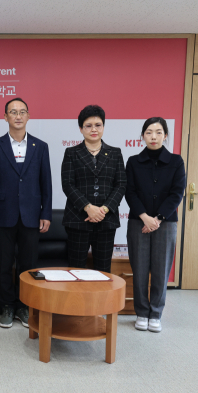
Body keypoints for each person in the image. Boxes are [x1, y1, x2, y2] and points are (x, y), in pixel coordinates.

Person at [0, 98, 52, 329]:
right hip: (3, 214)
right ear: (5, 117)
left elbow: (46, 184)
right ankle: (7, 306)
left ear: (28, 116)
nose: (18, 116)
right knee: (4, 263)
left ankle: (24, 306)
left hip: (32, 215)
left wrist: (46, 214)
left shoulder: (40, 146)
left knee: (28, 264)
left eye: (22, 112)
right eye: (13, 112)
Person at [125, 117, 186, 333]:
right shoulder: (133, 161)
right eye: (149, 132)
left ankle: (156, 314)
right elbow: (129, 192)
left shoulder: (176, 162)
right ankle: (141, 312)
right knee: (139, 268)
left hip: (166, 223)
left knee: (161, 270)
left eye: (158, 132)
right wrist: (145, 217)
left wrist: (157, 218)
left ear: (165, 135)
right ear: (142, 135)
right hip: (138, 222)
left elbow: (177, 193)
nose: (153, 136)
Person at [61, 105, 126, 272]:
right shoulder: (71, 153)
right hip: (78, 219)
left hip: (106, 221)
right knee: (76, 270)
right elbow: (68, 184)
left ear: (103, 126)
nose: (93, 129)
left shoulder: (115, 153)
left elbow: (120, 185)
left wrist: (103, 210)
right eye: (88, 126)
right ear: (81, 129)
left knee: (103, 270)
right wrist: (88, 208)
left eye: (98, 125)